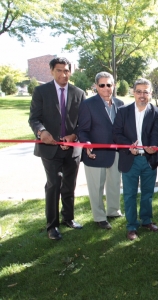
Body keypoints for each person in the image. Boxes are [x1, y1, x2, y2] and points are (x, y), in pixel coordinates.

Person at [28, 57, 86, 240]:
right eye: (59, 70)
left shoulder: (79, 93)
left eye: (67, 70)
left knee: (69, 185)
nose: (64, 74)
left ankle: (68, 218)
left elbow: (83, 123)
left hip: (72, 149)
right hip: (49, 148)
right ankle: (52, 226)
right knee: (54, 184)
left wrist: (74, 135)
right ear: (52, 71)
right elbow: (34, 118)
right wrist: (42, 131)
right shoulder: (41, 91)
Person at [113, 78, 158, 241]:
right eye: (139, 91)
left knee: (147, 193)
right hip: (130, 159)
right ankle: (132, 226)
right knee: (130, 195)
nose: (142, 95)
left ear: (150, 93)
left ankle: (146, 220)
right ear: (133, 92)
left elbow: (157, 133)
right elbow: (117, 134)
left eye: (145, 92)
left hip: (148, 159)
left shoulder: (156, 112)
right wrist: (129, 146)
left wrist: (153, 145)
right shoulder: (122, 111)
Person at [78, 72, 124, 230]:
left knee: (114, 183)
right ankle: (99, 217)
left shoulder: (120, 103)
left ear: (114, 86)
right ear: (96, 86)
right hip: (95, 153)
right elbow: (82, 130)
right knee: (96, 186)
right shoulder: (88, 104)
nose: (106, 88)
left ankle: (113, 210)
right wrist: (87, 144)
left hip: (116, 152)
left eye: (109, 85)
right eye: (102, 85)